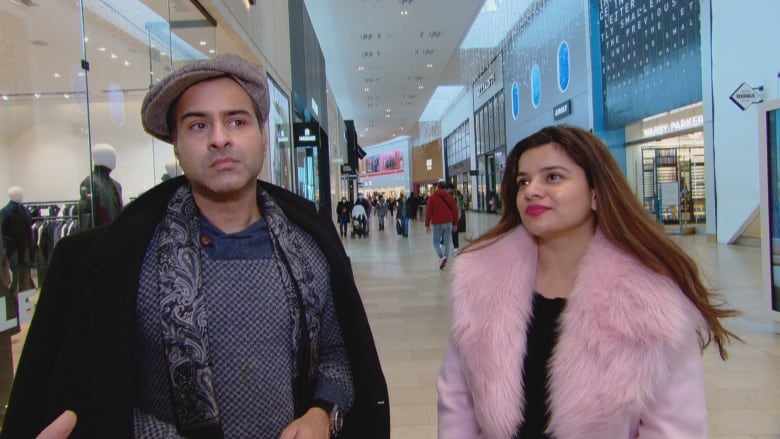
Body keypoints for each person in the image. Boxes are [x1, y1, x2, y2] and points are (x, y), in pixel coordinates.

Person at [2, 53, 390, 439]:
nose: (220, 138)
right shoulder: (124, 265)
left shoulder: (310, 249)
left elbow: (339, 353)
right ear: (176, 145)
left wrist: (322, 413)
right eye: (198, 125)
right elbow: (98, 396)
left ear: (262, 136)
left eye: (236, 121)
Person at [437, 125, 737, 438]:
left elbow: (675, 429)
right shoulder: (482, 282)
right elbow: (457, 397)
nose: (531, 190)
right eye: (523, 181)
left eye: (552, 177)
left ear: (596, 193)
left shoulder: (653, 303)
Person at [78, 143, 123, 231]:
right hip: (100, 236)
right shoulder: (90, 183)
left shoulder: (117, 185)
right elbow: (86, 218)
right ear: (100, 158)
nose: (114, 160)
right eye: (111, 156)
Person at [425, 179, 458, 270]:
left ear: (437, 187)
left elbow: (429, 212)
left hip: (438, 223)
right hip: (448, 223)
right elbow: (455, 211)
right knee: (447, 243)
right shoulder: (450, 197)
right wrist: (455, 224)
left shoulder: (432, 197)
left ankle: (441, 257)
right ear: (445, 187)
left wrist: (427, 224)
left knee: (436, 242)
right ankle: (445, 259)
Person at [446, 183, 464, 254]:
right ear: (448, 189)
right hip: (446, 219)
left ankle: (456, 247)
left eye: (454, 189)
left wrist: (458, 218)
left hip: (454, 219)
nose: (453, 190)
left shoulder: (455, 198)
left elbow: (458, 208)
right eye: (452, 189)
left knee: (455, 233)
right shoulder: (444, 197)